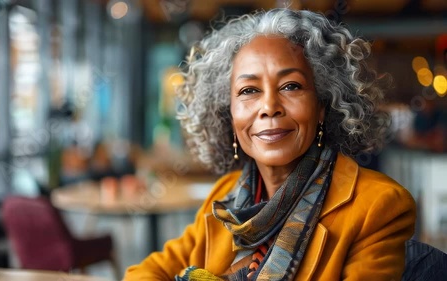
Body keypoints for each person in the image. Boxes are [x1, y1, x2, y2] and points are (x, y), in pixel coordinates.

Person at [124, 8, 416, 281]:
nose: (269, 107)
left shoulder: (379, 206)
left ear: (322, 106)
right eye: (249, 90)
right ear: (229, 114)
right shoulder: (225, 197)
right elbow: (144, 272)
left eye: (291, 86)